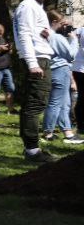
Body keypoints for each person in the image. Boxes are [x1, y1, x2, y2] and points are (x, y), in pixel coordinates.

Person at [13, 0, 56, 163]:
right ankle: (32, 151)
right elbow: (23, 35)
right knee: (35, 103)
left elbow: (34, 34)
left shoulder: (36, 7)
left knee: (35, 102)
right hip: (37, 60)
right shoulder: (28, 6)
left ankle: (31, 148)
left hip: (41, 58)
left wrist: (49, 34)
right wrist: (32, 63)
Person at [41, 10, 80, 144]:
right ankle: (48, 132)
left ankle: (68, 133)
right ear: (54, 22)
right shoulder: (56, 37)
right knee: (56, 103)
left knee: (64, 103)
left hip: (52, 69)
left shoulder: (45, 34)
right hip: (60, 70)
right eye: (61, 23)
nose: (63, 26)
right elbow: (70, 55)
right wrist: (74, 40)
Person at [73, 18, 84, 134]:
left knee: (81, 97)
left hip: (77, 67)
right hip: (81, 68)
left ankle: (80, 124)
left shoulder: (79, 30)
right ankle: (81, 124)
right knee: (82, 98)